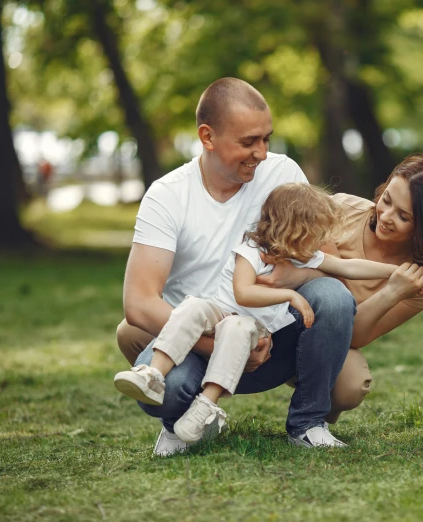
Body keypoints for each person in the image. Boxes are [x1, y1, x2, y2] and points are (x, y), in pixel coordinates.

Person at [115, 77, 364, 454]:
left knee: (332, 296)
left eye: (266, 138)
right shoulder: (167, 196)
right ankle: (182, 422)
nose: (261, 153)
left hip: (273, 339)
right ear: (207, 136)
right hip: (199, 340)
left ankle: (307, 425)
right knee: (163, 392)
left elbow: (326, 260)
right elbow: (139, 302)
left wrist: (289, 279)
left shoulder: (283, 174)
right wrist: (216, 343)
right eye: (248, 142)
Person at [114, 183, 398, 445]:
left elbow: (350, 268)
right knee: (191, 308)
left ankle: (205, 407)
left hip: (250, 327)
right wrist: (288, 293)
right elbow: (243, 293)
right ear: (296, 230)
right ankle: (152, 374)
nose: (322, 241)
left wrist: (394, 273)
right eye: (318, 233)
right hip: (220, 312)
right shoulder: (252, 250)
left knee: (238, 330)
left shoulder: (307, 255)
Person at [256, 152, 423, 423]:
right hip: (274, 311)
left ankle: (312, 414)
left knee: (350, 386)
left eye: (403, 216)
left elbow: (352, 336)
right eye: (386, 200)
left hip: (323, 334)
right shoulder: (342, 209)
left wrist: (393, 292)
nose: (386, 216)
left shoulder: (418, 285)